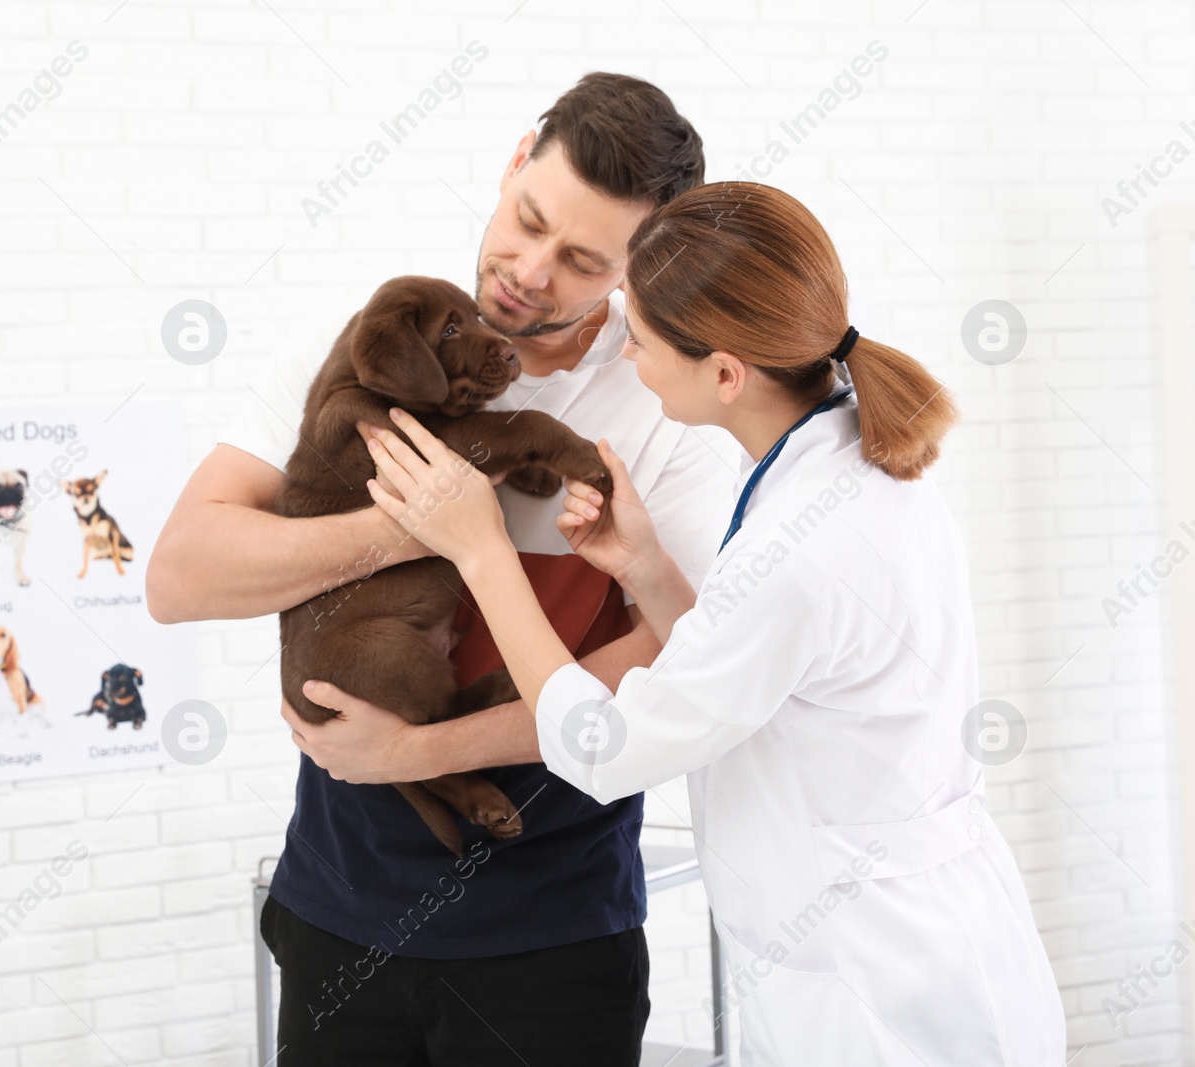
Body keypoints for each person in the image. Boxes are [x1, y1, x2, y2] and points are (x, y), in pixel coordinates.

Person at [287, 181, 1068, 1065]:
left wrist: (481, 553)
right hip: (927, 937)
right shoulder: (858, 463)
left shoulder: (800, 548)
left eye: (642, 342)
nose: (628, 358)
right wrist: (648, 571)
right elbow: (747, 674)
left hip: (877, 994)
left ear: (725, 372)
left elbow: (607, 746)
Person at [147, 74, 739, 1065]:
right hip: (337, 906)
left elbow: (662, 666)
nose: (528, 273)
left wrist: (418, 753)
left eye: (581, 259)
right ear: (513, 162)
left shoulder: (667, 402)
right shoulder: (365, 345)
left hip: (550, 938)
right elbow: (179, 576)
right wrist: (410, 528)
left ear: (637, 270)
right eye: (527, 219)